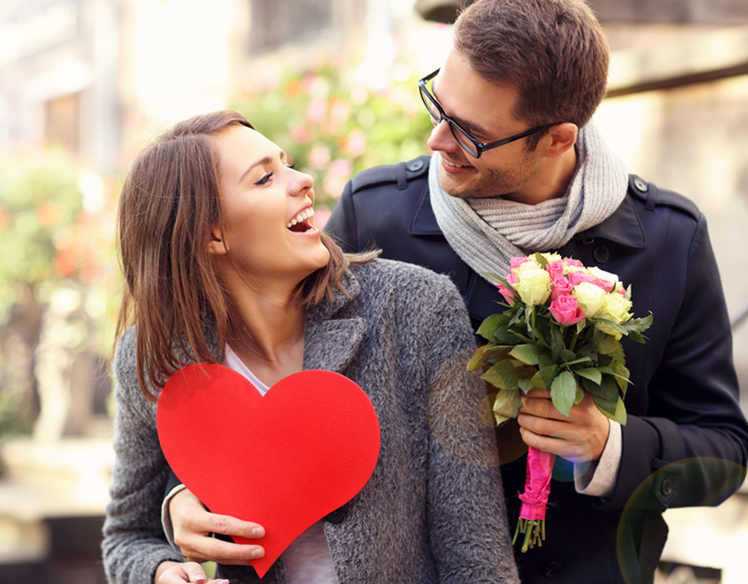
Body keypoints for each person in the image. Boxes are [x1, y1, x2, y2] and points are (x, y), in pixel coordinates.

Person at [323, 0, 748, 583]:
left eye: (471, 133)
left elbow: (723, 456)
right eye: (437, 105)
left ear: (556, 139)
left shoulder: (671, 239)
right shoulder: (375, 217)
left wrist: (609, 445)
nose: (435, 141)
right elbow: (282, 384)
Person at [101, 109, 520, 584]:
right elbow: (126, 536)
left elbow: (475, 555)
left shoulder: (418, 310)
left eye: (287, 163)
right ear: (211, 233)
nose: (301, 181)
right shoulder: (156, 358)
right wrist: (160, 572)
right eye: (264, 179)